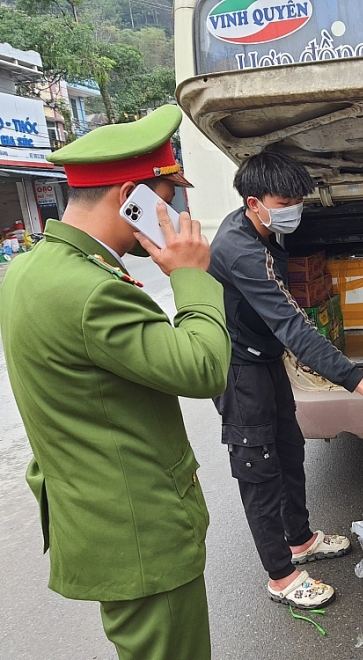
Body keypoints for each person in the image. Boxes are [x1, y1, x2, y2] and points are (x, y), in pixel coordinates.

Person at [0, 106, 231, 660]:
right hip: (138, 529)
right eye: (167, 200)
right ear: (131, 195)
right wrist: (194, 276)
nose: (174, 213)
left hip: (98, 517)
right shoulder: (91, 289)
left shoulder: (32, 270)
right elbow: (203, 368)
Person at [209, 150, 363, 610]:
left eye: (298, 199)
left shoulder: (263, 228)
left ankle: (299, 539)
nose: (293, 209)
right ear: (254, 202)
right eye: (284, 201)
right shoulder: (241, 249)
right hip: (238, 367)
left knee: (288, 448)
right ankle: (281, 576)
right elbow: (294, 327)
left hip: (264, 357)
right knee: (259, 468)